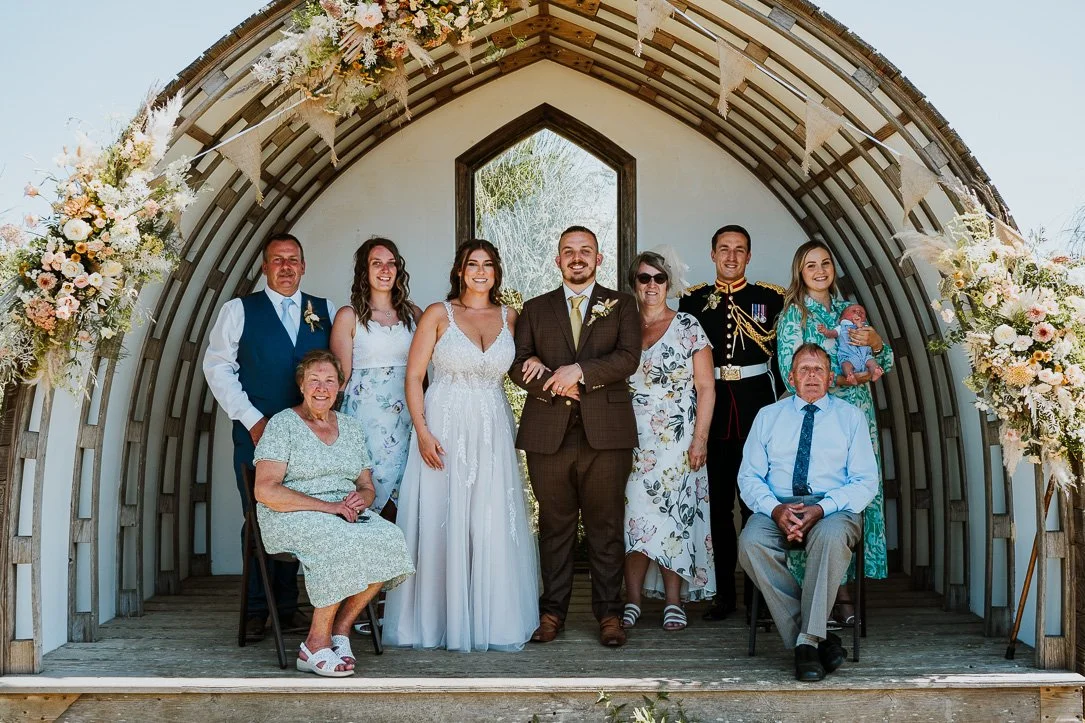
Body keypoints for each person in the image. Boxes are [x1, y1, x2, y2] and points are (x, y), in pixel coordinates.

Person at [383, 239, 539, 652]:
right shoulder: (438, 314)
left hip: (492, 429)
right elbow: (414, 377)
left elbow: (527, 364)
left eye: (488, 264)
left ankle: (492, 623)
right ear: (459, 270)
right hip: (444, 428)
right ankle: (435, 622)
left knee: (488, 520)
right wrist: (422, 431)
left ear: (497, 271)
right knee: (441, 519)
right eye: (473, 264)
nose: (481, 271)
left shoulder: (511, 317)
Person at [509, 225, 640, 648]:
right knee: (554, 527)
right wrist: (554, 380)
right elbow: (517, 365)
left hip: (607, 434)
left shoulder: (621, 305)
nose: (577, 257)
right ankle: (551, 614)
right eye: (569, 251)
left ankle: (609, 615)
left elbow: (627, 358)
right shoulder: (534, 308)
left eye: (585, 251)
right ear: (558, 260)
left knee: (606, 527)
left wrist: (579, 373)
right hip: (549, 434)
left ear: (598, 259)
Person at [203, 232, 335, 642]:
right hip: (256, 432)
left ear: (303, 265)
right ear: (264, 267)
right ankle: (257, 609)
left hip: (310, 436)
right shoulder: (239, 310)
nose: (285, 267)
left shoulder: (324, 310)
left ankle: (287, 604)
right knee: (259, 516)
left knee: (304, 511)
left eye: (293, 259)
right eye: (277, 260)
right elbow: (217, 367)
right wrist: (251, 419)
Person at [253, 350, 414, 677]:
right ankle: (313, 644)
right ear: (301, 385)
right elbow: (265, 490)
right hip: (291, 513)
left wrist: (360, 500)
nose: (322, 387)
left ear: (341, 386)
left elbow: (366, 485)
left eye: (330, 380)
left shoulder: (351, 428)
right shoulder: (283, 424)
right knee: (339, 540)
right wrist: (330, 508)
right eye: (314, 380)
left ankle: (339, 631)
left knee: (389, 538)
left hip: (343, 512)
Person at [737, 343, 878, 682]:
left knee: (830, 537)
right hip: (778, 505)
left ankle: (805, 643)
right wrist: (775, 509)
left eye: (818, 370)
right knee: (750, 544)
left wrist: (820, 508)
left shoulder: (851, 418)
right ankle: (817, 638)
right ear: (791, 377)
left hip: (833, 508)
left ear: (831, 378)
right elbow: (749, 476)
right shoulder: (767, 416)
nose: (812, 376)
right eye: (804, 369)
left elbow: (865, 481)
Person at [775, 241, 893, 625]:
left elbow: (885, 360)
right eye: (811, 264)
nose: (820, 270)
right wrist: (840, 380)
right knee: (818, 493)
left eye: (826, 262)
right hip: (817, 417)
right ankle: (830, 596)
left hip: (857, 414)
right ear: (800, 271)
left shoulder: (849, 309)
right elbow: (791, 374)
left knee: (854, 492)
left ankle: (848, 588)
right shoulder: (795, 314)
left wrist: (875, 342)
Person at [677, 225, 784, 621]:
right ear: (712, 254)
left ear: (749, 257)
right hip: (713, 412)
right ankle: (725, 596)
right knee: (718, 510)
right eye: (724, 249)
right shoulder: (693, 301)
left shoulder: (769, 299)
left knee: (757, 506)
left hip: (757, 408)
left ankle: (761, 597)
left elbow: (783, 355)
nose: (732, 256)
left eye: (739, 250)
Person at [620, 250, 716, 632]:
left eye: (659, 279)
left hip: (677, 442)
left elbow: (707, 388)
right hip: (629, 440)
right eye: (644, 278)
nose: (652, 286)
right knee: (633, 519)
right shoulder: (622, 328)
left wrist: (700, 440)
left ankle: (674, 601)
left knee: (673, 517)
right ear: (634, 284)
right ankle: (632, 600)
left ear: (669, 284)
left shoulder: (689, 326)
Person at [330, 237, 421, 519]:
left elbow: (424, 375)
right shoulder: (349, 316)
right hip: (365, 422)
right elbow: (340, 380)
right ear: (364, 272)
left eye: (391, 263)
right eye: (376, 263)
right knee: (367, 489)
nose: (385, 269)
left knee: (408, 495)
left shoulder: (414, 315)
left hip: (408, 417)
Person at [817, 303, 884, 384]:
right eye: (853, 311)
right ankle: (850, 376)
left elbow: (862, 329)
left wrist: (859, 324)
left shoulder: (866, 327)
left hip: (865, 356)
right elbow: (832, 334)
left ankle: (875, 372)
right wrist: (825, 331)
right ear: (842, 318)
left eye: (862, 312)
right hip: (848, 357)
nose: (858, 312)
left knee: (872, 362)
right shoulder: (841, 328)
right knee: (846, 365)